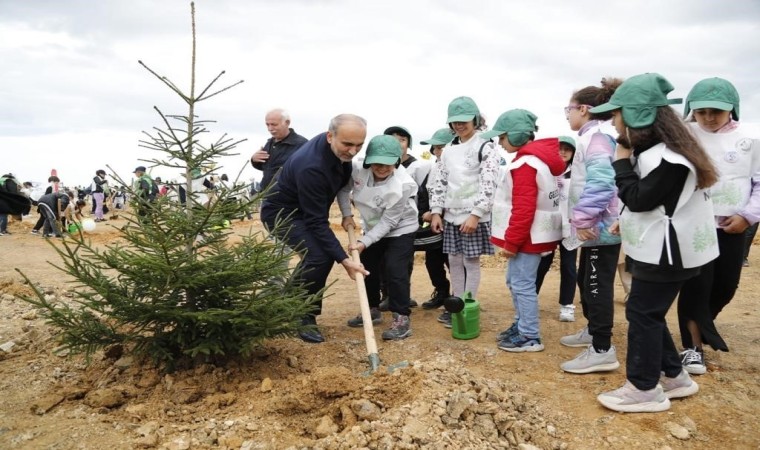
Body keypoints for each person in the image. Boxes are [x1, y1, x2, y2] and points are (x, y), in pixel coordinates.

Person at [593, 72, 717, 413]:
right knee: (647, 311)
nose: (614, 121)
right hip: (663, 247)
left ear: (637, 116)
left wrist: (619, 162)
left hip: (668, 251)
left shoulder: (670, 159)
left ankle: (644, 388)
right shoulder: (662, 151)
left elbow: (641, 198)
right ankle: (675, 378)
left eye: (617, 114)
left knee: (643, 313)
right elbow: (653, 202)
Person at [260, 114, 369, 344]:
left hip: (304, 210)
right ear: (330, 136)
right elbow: (317, 222)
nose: (352, 151)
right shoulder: (312, 167)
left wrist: (347, 216)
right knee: (319, 256)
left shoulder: (337, 150)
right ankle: (302, 315)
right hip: (282, 214)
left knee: (320, 256)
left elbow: (341, 187)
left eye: (359, 145)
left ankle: (288, 305)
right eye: (347, 144)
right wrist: (344, 259)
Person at [676, 77, 760, 374]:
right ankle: (692, 347)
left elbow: (759, 182)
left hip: (733, 226)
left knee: (725, 286)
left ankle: (702, 323)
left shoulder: (751, 138)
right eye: (702, 112)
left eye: (716, 111)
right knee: (696, 285)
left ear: (732, 109)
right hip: (694, 224)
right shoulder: (684, 136)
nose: (709, 118)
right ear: (691, 111)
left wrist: (749, 216)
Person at [559, 78, 624, 375]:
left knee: (596, 285)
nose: (568, 114)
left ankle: (602, 348)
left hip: (601, 226)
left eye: (569, 109)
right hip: (594, 227)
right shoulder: (590, 136)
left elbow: (602, 181)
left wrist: (583, 219)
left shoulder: (596, 138)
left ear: (584, 109)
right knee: (587, 279)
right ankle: (592, 330)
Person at [487, 110, 565, 352]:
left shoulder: (525, 164)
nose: (499, 143)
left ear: (516, 135)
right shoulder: (535, 160)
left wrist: (511, 242)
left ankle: (529, 335)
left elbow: (523, 208)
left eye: (502, 137)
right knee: (515, 281)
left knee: (522, 284)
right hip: (534, 235)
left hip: (526, 237)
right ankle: (521, 325)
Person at [338, 135, 418, 340]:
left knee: (395, 268)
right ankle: (372, 309)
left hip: (401, 228)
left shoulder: (404, 184)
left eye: (388, 164)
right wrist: (347, 214)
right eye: (377, 163)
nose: (382, 168)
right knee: (367, 267)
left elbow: (389, 222)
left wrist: (364, 242)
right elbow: (344, 189)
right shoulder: (357, 168)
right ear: (368, 160)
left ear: (397, 161)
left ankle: (401, 317)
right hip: (372, 225)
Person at [429, 96, 500, 328]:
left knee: (471, 261)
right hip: (451, 215)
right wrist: (437, 211)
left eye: (464, 120)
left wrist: (476, 213)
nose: (459, 125)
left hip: (473, 216)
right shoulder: (448, 149)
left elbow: (489, 182)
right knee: (454, 260)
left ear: (475, 119)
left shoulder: (485, 146)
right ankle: (455, 304)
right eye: (454, 121)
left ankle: (468, 302)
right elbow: (439, 181)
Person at [378, 125, 431, 310]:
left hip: (406, 221)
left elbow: (424, 192)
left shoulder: (418, 167)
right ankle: (386, 295)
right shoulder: (376, 164)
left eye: (402, 139)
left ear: (408, 143)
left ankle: (402, 296)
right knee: (382, 260)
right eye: (392, 139)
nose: (397, 143)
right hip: (379, 220)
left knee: (402, 261)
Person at [535, 136, 579, 322]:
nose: (563, 152)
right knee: (542, 264)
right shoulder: (546, 171)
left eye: (567, 149)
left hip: (570, 227)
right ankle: (530, 300)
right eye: (560, 148)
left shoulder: (578, 174)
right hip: (548, 226)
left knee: (569, 267)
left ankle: (567, 305)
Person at [417, 128, 456, 310]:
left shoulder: (459, 170)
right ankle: (441, 292)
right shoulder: (433, 170)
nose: (437, 151)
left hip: (455, 225)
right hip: (435, 227)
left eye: (441, 147)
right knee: (433, 262)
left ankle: (459, 298)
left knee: (455, 263)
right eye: (435, 148)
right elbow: (423, 194)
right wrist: (425, 212)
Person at [250, 109, 309, 193]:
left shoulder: (301, 145)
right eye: (267, 125)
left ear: (287, 123)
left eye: (274, 124)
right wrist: (254, 160)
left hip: (289, 198)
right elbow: (268, 168)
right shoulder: (270, 143)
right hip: (267, 197)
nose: (270, 128)